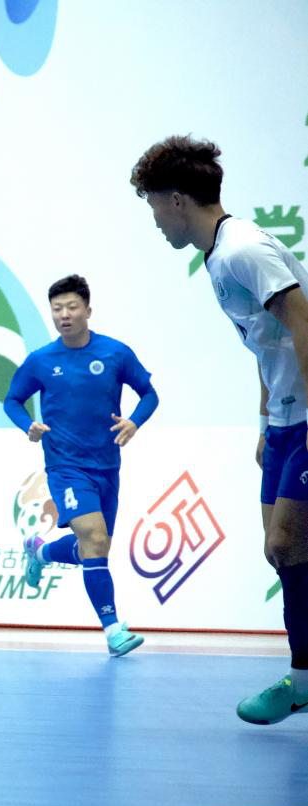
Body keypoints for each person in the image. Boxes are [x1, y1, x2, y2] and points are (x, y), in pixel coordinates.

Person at [131, 135, 308, 723]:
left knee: (287, 542)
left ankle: (302, 680)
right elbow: (267, 344)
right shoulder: (216, 257)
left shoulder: (242, 250)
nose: (155, 220)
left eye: (154, 205)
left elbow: (304, 323)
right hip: (284, 419)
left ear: (178, 200)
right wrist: (266, 420)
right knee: (283, 552)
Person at [5, 275, 159, 657]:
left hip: (106, 466)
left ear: (88, 310)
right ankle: (113, 630)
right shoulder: (41, 360)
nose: (64, 315)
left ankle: (39, 552)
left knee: (95, 546)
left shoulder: (115, 353)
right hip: (65, 467)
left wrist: (134, 422)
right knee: (93, 537)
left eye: (72, 307)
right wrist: (29, 426)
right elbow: (12, 400)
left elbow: (149, 394)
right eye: (57, 309)